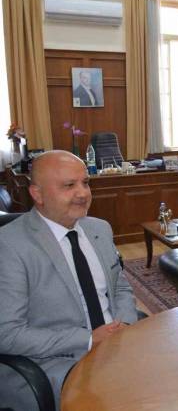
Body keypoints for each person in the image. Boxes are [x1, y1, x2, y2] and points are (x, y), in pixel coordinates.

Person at [0, 150, 137, 411]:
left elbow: (120, 287)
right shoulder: (10, 245)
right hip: (56, 361)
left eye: (85, 182)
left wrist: (125, 326)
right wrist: (88, 339)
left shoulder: (99, 228)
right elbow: (7, 333)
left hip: (118, 347)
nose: (83, 193)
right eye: (69, 186)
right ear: (37, 194)